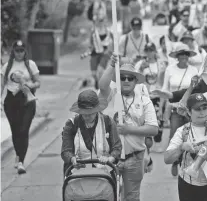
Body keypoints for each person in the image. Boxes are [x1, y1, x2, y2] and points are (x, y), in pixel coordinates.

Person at [98, 55, 159, 201]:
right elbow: (102, 86)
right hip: (109, 158)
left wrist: (129, 130)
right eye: (122, 77)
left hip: (135, 157)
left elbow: (153, 129)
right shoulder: (111, 95)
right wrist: (112, 66)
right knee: (107, 195)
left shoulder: (144, 101)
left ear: (135, 81)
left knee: (131, 197)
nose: (126, 80)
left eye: (130, 78)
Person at [164, 93, 207, 201]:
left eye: (204, 108)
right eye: (197, 109)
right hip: (188, 185)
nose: (202, 112)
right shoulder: (182, 131)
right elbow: (167, 159)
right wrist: (181, 147)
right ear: (189, 112)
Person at [1, 40, 41, 174]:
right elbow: (2, 85)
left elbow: (38, 83)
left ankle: (20, 162)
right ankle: (18, 154)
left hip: (27, 100)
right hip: (11, 100)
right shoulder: (7, 66)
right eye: (17, 51)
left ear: (25, 51)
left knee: (24, 130)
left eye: (22, 50)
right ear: (13, 51)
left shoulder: (31, 65)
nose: (19, 53)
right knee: (16, 130)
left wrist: (29, 85)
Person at [61, 89, 122, 176]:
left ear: (97, 109)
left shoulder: (108, 122)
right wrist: (72, 159)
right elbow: (66, 151)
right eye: (84, 112)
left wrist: (110, 159)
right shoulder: (71, 124)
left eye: (90, 112)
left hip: (104, 174)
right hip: (78, 175)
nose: (87, 116)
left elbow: (117, 147)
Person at [160, 43, 199, 176]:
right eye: (181, 54)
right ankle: (175, 161)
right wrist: (162, 108)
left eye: (186, 54)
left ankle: (189, 162)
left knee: (192, 135)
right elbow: (165, 90)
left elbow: (196, 88)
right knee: (174, 135)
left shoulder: (194, 70)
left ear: (188, 56)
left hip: (190, 108)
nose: (183, 57)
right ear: (177, 56)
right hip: (174, 108)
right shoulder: (170, 69)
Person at [89, 17, 113, 89]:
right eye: (99, 21)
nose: (100, 23)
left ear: (105, 22)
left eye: (102, 21)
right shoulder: (93, 32)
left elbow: (113, 43)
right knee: (93, 73)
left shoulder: (109, 32)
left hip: (104, 54)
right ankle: (96, 81)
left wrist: (110, 51)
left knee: (100, 70)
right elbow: (91, 43)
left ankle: (100, 88)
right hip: (95, 54)